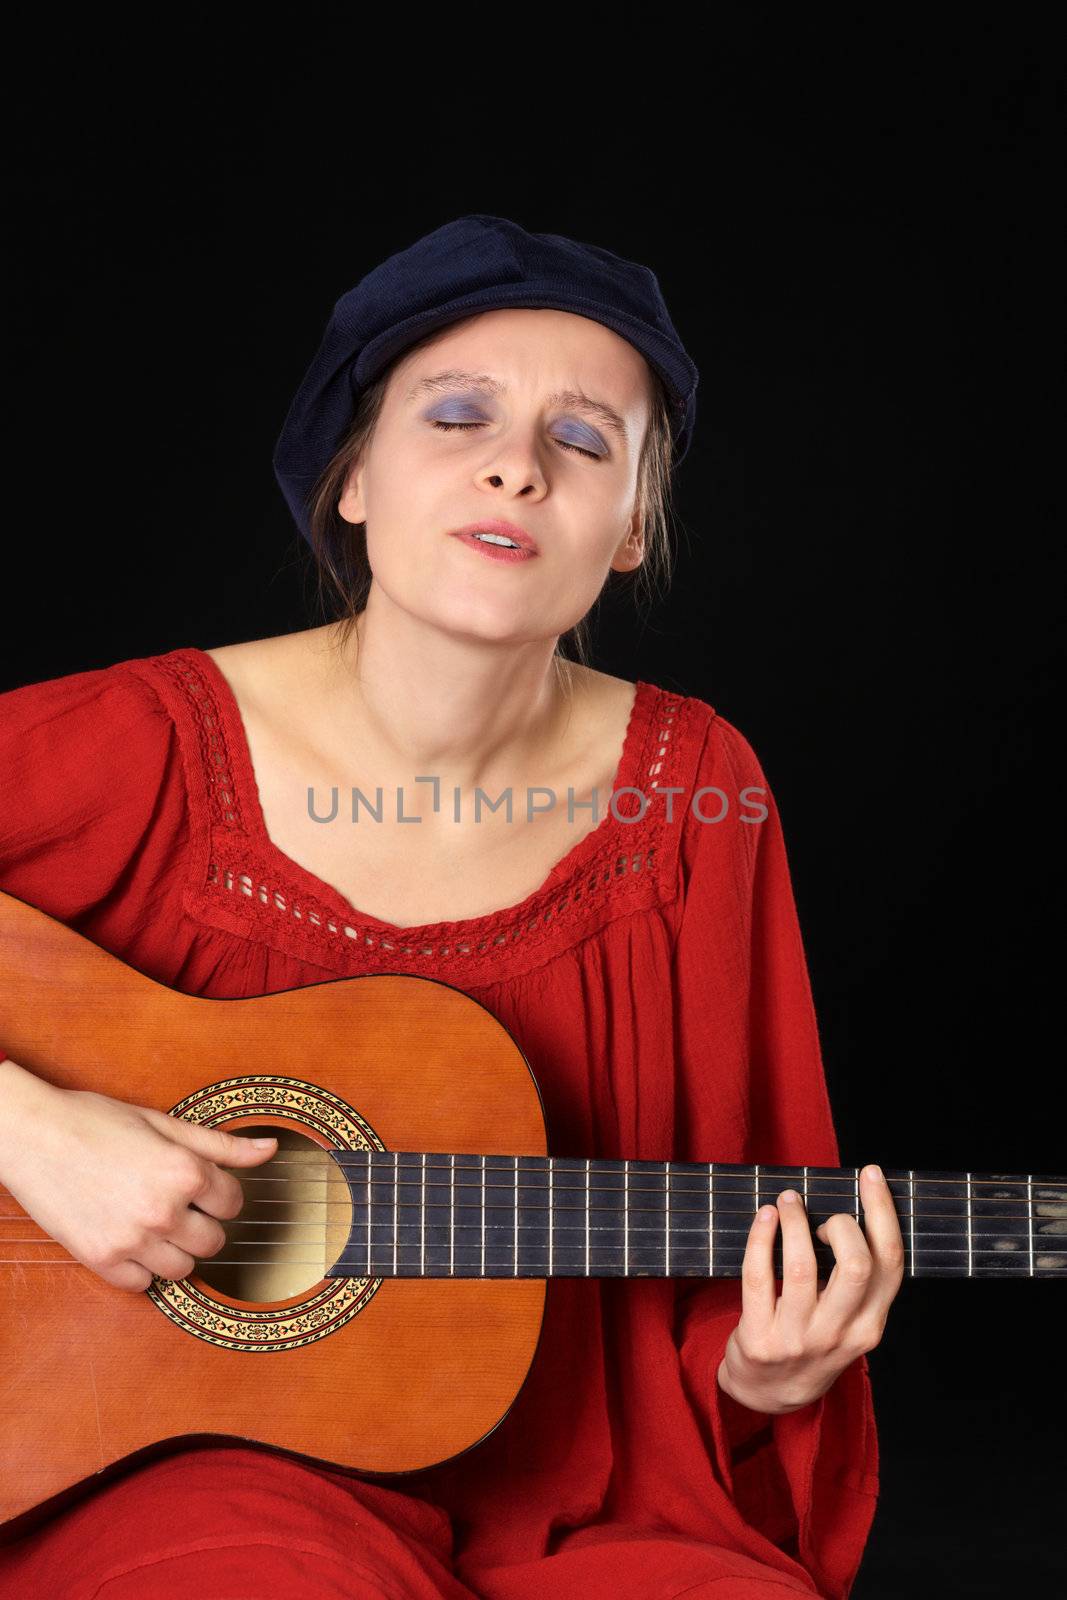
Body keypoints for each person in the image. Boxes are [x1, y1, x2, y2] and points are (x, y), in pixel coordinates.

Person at [0, 215, 901, 1599]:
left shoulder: (696, 793)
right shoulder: (144, 748)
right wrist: (40, 1134)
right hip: (174, 1462)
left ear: (632, 531)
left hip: (593, 1495)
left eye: (586, 442)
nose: (516, 465)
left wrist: (761, 1371)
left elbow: (737, 1201)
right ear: (351, 476)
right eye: (459, 414)